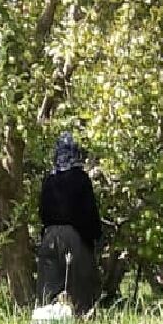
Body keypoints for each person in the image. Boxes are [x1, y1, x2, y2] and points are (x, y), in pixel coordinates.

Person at [37, 132, 102, 314]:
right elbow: (90, 216)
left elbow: (42, 213)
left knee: (47, 293)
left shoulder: (49, 180)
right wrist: (94, 239)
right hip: (75, 237)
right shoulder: (80, 179)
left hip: (49, 236)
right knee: (81, 293)